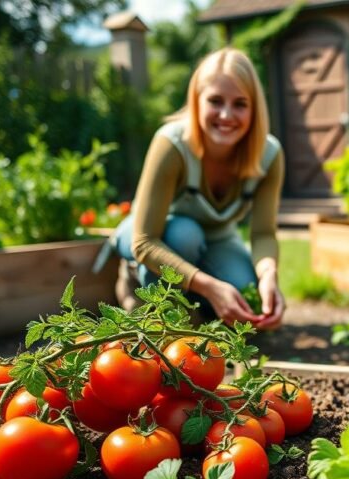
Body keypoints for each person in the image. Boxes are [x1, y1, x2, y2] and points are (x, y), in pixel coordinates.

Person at [110, 47, 285, 329]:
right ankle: (137, 287)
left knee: (245, 294)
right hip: (153, 234)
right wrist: (208, 286)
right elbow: (144, 242)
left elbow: (264, 233)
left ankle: (194, 307)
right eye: (215, 101)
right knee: (185, 235)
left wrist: (268, 276)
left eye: (240, 104)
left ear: (255, 109)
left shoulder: (269, 154)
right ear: (196, 101)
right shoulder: (172, 144)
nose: (227, 115)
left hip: (217, 239)